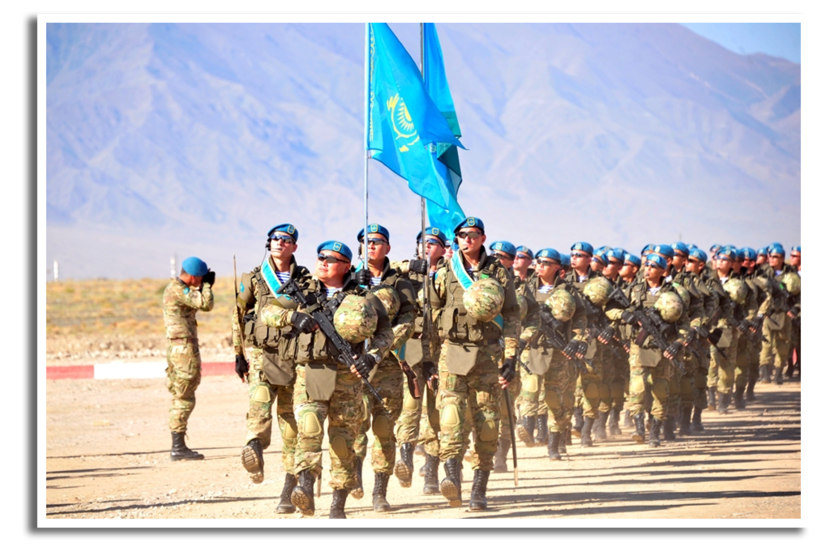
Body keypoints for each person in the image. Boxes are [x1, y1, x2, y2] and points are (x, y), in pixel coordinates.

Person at [259, 240, 394, 519]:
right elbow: (267, 312)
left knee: (342, 440)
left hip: (348, 378)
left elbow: (385, 333)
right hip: (310, 372)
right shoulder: (304, 291)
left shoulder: (364, 297)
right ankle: (305, 486)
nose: (322, 262)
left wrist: (372, 357)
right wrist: (292, 317)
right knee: (308, 430)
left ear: (346, 266)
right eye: (320, 257)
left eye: (330, 259)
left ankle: (337, 505)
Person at [429, 217, 520, 511]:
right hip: (452, 354)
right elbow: (430, 315)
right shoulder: (444, 273)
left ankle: (479, 488)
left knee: (487, 424)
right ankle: (452, 478)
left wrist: (511, 358)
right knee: (451, 419)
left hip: (489, 357)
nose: (468, 240)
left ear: (483, 238)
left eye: (474, 235)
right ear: (456, 239)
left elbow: (513, 316)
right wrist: (427, 361)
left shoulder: (499, 273)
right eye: (463, 235)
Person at [233, 224, 309, 514]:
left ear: (294, 247)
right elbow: (237, 316)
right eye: (275, 239)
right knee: (259, 408)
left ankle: (288, 489)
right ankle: (254, 448)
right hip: (263, 357)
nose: (278, 243)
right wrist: (238, 353)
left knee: (292, 429)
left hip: (295, 359)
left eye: (285, 240)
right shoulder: (253, 279)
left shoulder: (306, 279)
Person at [351, 224, 417, 512]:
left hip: (387, 365)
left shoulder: (400, 283)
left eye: (378, 242)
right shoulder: (348, 278)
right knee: (353, 425)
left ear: (388, 248)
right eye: (366, 241)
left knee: (384, 427)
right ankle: (352, 475)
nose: (372, 246)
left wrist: (379, 350)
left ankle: (380, 491)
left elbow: (408, 320)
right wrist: (353, 285)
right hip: (353, 364)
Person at [605, 253, 689, 447]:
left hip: (664, 348)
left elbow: (685, 323)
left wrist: (678, 343)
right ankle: (638, 426)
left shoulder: (674, 294)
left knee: (661, 389)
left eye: (653, 266)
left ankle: (655, 431)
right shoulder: (633, 291)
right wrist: (625, 315)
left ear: (663, 270)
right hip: (639, 346)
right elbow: (609, 309)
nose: (648, 269)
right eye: (646, 265)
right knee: (637, 387)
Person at [392, 227, 447, 495]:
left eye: (433, 242)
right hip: (411, 352)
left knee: (435, 414)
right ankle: (405, 458)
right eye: (422, 241)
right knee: (409, 409)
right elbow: (378, 269)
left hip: (440, 352)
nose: (426, 246)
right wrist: (410, 266)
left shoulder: (450, 275)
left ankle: (432, 471)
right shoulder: (405, 272)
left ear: (443, 248)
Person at [163, 256, 215, 460]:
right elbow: (206, 304)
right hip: (183, 350)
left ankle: (179, 444)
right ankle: (178, 447)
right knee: (184, 395)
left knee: (182, 393)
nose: (202, 281)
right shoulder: (177, 289)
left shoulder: (177, 289)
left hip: (180, 347)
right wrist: (208, 287)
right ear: (193, 277)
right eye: (201, 278)